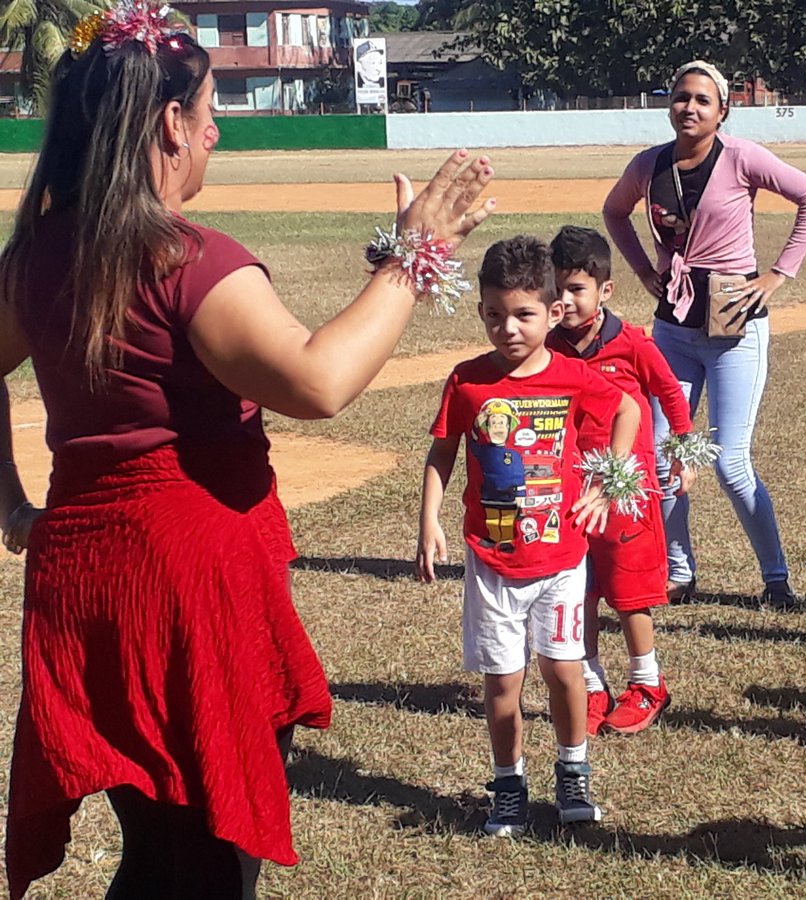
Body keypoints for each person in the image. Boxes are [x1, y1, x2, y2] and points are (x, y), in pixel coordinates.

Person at [0, 7, 494, 896]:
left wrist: (9, 501)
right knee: (210, 862)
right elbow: (317, 383)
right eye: (207, 110)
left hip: (85, 577)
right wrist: (415, 256)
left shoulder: (37, 251)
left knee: (160, 846)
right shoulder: (188, 260)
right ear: (169, 126)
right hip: (186, 584)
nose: (216, 131)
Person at [417, 236, 641, 836]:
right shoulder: (467, 382)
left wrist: (608, 484)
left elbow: (629, 412)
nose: (508, 329)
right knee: (502, 684)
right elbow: (442, 453)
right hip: (492, 563)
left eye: (523, 315)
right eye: (494, 315)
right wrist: (429, 520)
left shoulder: (573, 377)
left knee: (566, 671)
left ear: (553, 313)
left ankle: (573, 770)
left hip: (561, 557)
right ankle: (509, 784)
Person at [603, 59, 806, 607]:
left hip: (735, 327)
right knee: (660, 456)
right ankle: (679, 571)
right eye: (682, 97)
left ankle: (776, 580)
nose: (690, 108)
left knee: (730, 462)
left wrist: (777, 276)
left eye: (703, 100)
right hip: (674, 327)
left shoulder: (742, 157)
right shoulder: (649, 165)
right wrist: (641, 270)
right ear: (669, 104)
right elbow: (614, 213)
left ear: (722, 110)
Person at [546, 225, 694, 736]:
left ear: (605, 291)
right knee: (578, 589)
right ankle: (590, 683)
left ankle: (647, 682)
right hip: (571, 494)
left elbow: (671, 394)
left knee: (631, 593)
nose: (564, 301)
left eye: (576, 290)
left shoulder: (632, 343)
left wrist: (683, 451)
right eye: (556, 289)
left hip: (628, 492)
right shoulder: (547, 347)